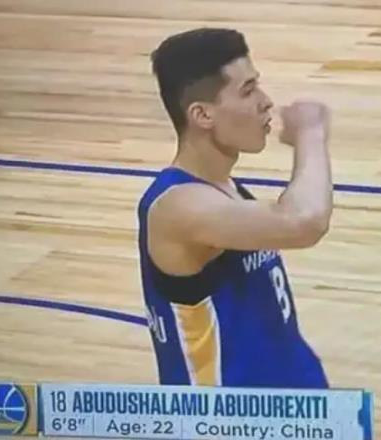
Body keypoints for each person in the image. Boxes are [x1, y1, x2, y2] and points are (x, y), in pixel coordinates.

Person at [137, 28, 333, 388]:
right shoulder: (178, 206)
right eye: (247, 90)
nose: (265, 101)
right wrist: (311, 132)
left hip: (296, 403)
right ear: (202, 114)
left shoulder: (226, 189)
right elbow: (304, 221)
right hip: (229, 414)